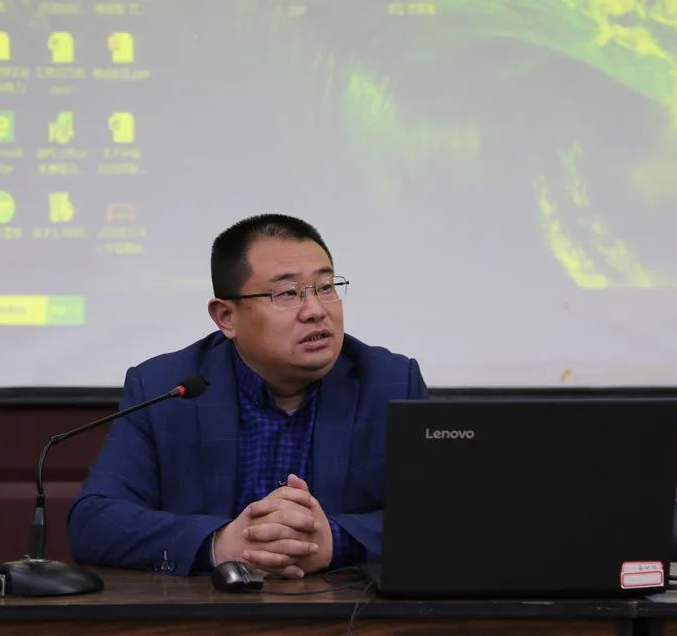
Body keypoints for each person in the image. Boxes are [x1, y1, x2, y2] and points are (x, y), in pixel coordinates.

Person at [68, 214, 428, 577]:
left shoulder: (391, 383)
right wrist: (218, 544)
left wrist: (336, 541)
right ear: (226, 316)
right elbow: (93, 522)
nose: (316, 311)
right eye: (288, 293)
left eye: (325, 287)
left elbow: (442, 516)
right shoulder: (165, 388)